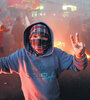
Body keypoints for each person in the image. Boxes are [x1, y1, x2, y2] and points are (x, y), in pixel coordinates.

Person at [0, 20, 88, 100]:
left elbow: (78, 66)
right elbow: (3, 64)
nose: (38, 40)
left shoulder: (57, 54)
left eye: (43, 37)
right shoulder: (21, 56)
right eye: (35, 36)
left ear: (49, 39)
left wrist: (79, 55)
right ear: (29, 38)